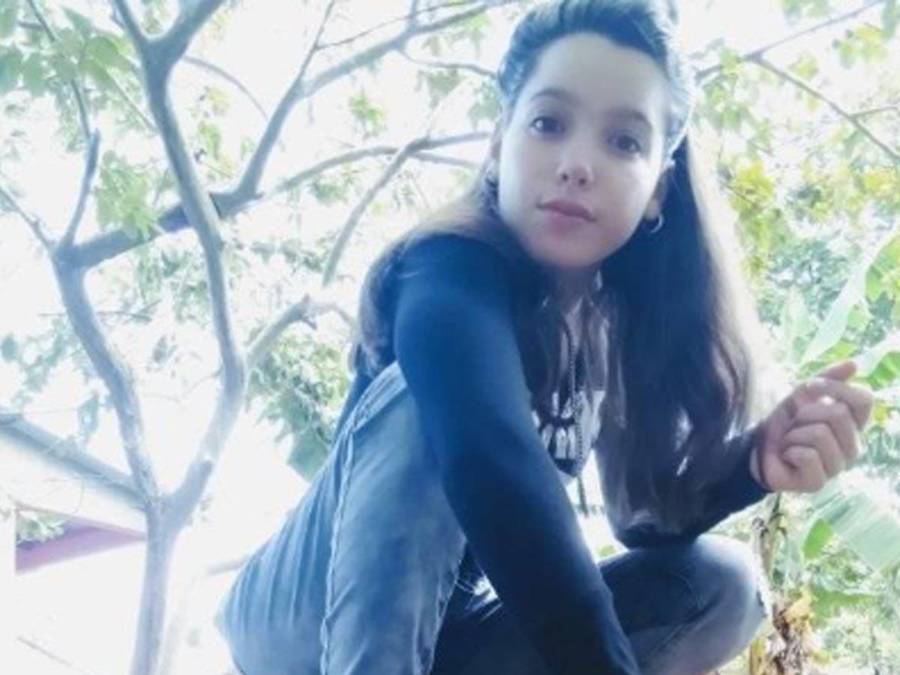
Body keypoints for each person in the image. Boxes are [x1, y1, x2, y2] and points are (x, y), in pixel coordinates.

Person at [215, 1, 874, 673]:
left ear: (658, 188)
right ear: (499, 142)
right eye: (548, 123)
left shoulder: (607, 331)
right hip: (301, 627)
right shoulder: (445, 272)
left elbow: (641, 522)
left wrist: (750, 468)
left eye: (624, 142)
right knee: (422, 406)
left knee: (719, 587)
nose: (577, 163)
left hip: (444, 639)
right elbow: (491, 462)